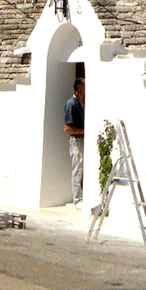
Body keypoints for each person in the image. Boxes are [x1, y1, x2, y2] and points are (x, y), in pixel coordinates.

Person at [63, 77, 85, 206]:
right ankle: (77, 199)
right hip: (76, 141)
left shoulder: (81, 104)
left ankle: (80, 196)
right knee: (77, 169)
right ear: (79, 88)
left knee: (81, 169)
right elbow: (67, 127)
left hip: (81, 140)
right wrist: (83, 131)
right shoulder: (72, 103)